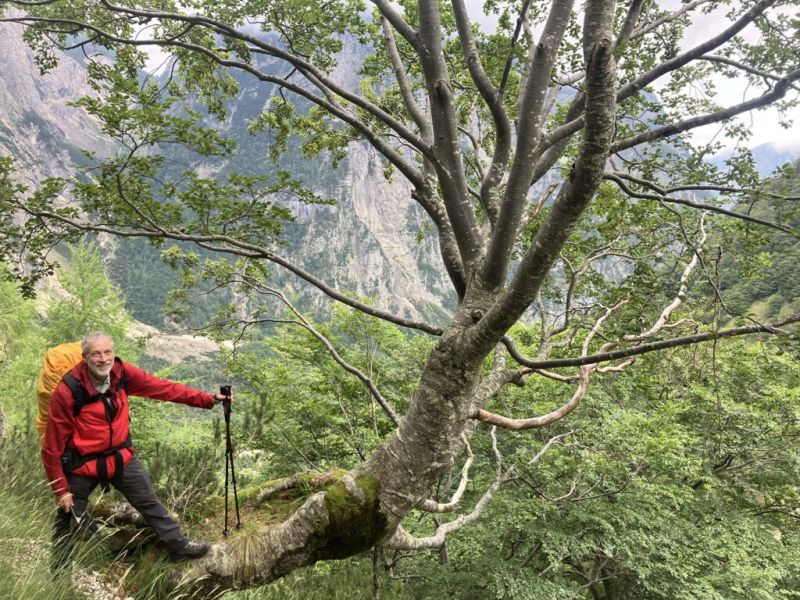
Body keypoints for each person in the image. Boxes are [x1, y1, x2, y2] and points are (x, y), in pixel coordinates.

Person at [42, 332, 229, 570]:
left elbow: (163, 388)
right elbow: (52, 446)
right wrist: (60, 490)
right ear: (85, 357)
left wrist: (206, 399)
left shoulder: (122, 374)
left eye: (108, 352)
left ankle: (178, 546)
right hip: (82, 462)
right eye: (96, 354)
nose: (103, 359)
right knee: (67, 513)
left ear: (114, 353)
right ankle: (59, 570)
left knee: (149, 502)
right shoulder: (69, 389)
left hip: (120, 457)